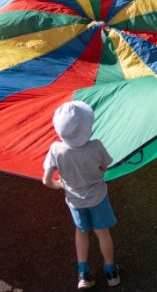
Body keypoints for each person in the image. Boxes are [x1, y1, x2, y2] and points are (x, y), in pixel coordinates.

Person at [43, 101, 121, 290]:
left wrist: (59, 185)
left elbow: (46, 180)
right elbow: (104, 167)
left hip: (74, 201)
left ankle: (83, 273)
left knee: (81, 232)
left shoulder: (55, 150)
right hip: (98, 197)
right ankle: (110, 270)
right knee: (102, 232)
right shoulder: (96, 146)